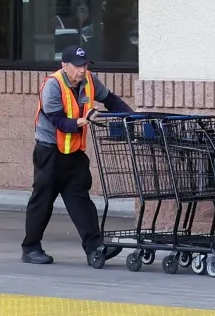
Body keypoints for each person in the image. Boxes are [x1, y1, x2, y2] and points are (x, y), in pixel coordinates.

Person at [22, 41, 133, 265]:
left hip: (73, 154)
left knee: (81, 201)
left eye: (85, 65)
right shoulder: (52, 86)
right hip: (49, 153)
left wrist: (131, 116)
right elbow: (59, 121)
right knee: (42, 202)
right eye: (77, 65)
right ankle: (31, 248)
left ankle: (95, 248)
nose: (82, 70)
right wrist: (84, 120)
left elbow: (110, 99)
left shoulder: (89, 80)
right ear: (65, 65)